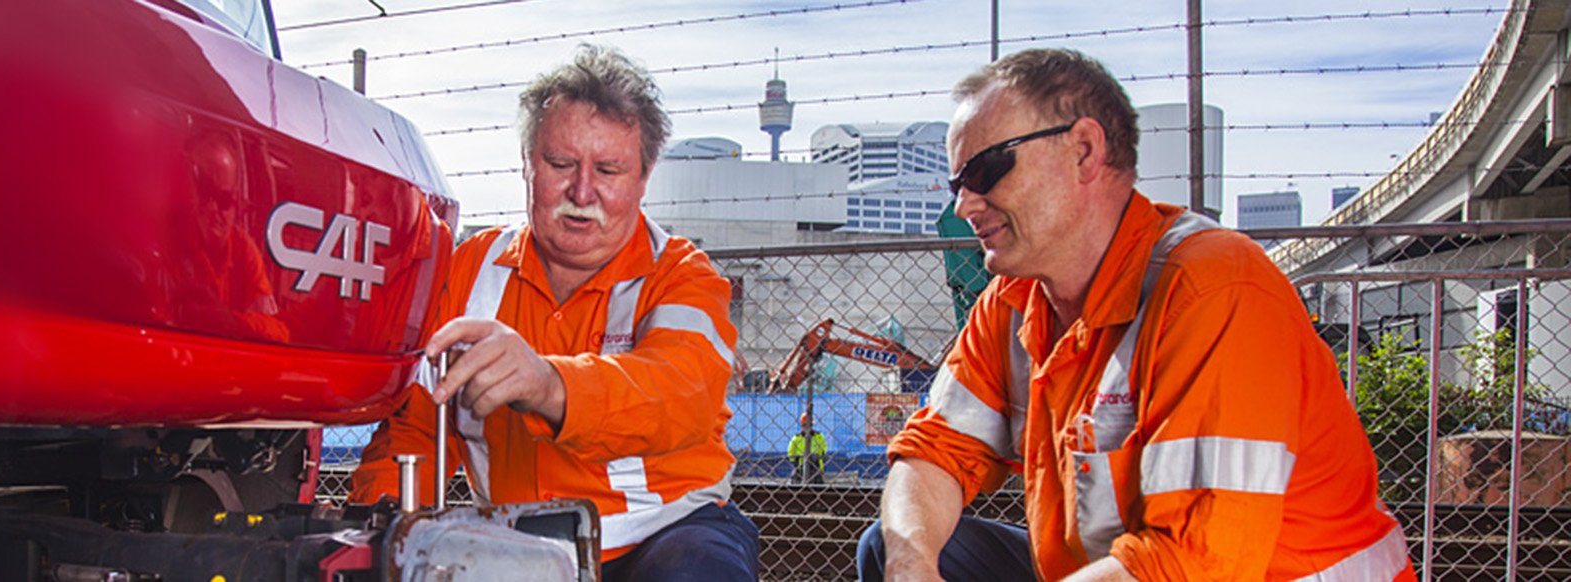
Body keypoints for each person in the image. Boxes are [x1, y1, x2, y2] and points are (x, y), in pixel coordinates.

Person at [857, 48, 1412, 581]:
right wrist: (912, 567)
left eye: (985, 171)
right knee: (894, 544)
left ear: (1083, 150)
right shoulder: (1013, 303)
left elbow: (1190, 564)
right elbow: (933, 454)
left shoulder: (1212, 289)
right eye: (957, 185)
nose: (964, 205)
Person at [349, 45, 758, 582]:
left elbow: (681, 393)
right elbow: (417, 431)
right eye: (560, 164)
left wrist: (550, 384)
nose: (582, 192)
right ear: (526, 162)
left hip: (666, 530)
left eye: (608, 169)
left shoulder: (682, 275)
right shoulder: (465, 271)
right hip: (515, 541)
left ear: (644, 175)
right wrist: (383, 527)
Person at [787, 413, 828, 485]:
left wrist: (816, 457)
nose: (807, 427)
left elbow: (823, 450)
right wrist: (798, 459)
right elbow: (791, 454)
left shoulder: (819, 437)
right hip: (800, 467)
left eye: (810, 425)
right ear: (802, 425)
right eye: (805, 425)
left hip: (816, 467)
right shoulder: (796, 439)